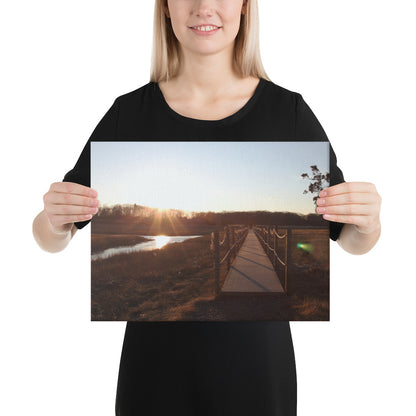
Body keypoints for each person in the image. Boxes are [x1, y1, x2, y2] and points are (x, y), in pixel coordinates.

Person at [32, 0, 382, 414]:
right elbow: (50, 236)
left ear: (245, 8)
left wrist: (368, 221)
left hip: (258, 374)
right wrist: (54, 222)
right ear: (165, 8)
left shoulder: (288, 112)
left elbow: (351, 240)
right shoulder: (129, 114)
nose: (204, 7)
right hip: (153, 376)